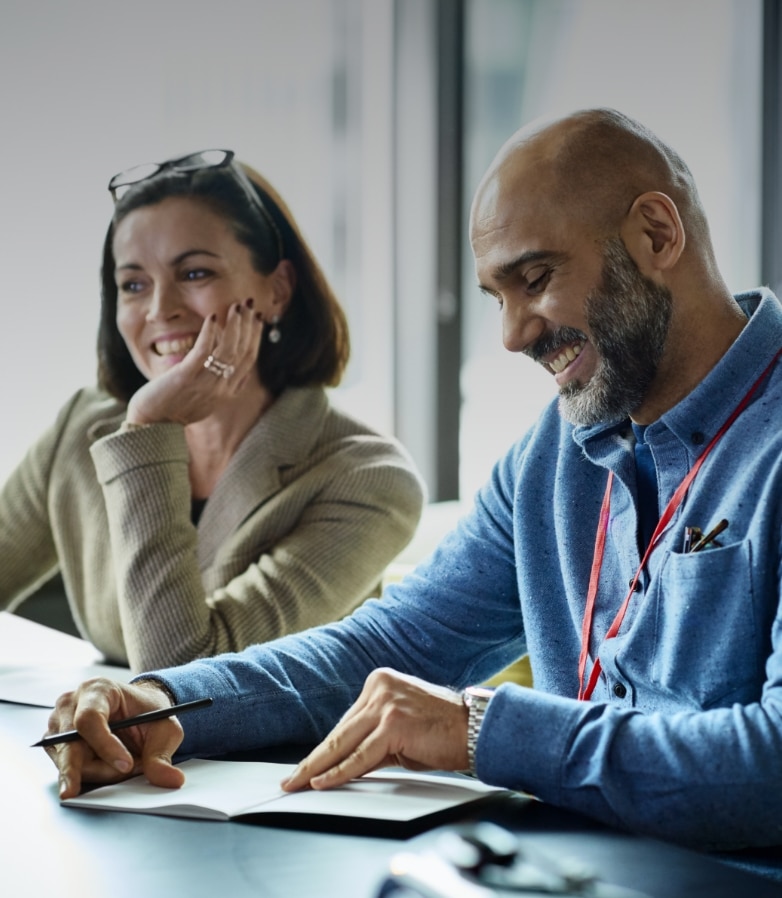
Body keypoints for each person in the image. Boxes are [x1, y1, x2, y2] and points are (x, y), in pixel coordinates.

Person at [45, 109, 782, 854]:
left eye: (535, 279)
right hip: (568, 868)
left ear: (657, 234)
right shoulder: (553, 456)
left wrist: (480, 728)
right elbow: (392, 644)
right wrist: (165, 702)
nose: (514, 334)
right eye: (498, 296)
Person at [0, 149, 426, 672]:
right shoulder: (82, 429)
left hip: (275, 755)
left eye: (195, 273)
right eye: (133, 284)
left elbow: (183, 677)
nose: (160, 309)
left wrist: (151, 430)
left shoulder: (369, 481)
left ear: (277, 290)